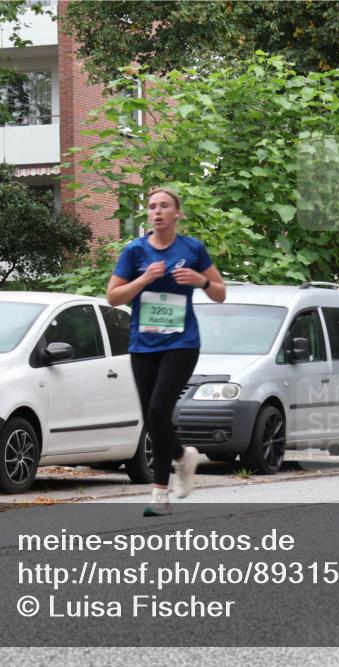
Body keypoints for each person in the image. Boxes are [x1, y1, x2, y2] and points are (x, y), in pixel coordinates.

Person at [107, 187, 226, 516]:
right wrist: (144, 279)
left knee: (159, 410)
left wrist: (200, 281)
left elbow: (220, 293)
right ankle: (182, 456)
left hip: (181, 343)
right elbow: (113, 297)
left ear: (177, 214)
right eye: (151, 207)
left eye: (164, 206)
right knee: (151, 416)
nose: (156, 211)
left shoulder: (192, 248)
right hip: (142, 344)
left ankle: (160, 495)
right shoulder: (135, 251)